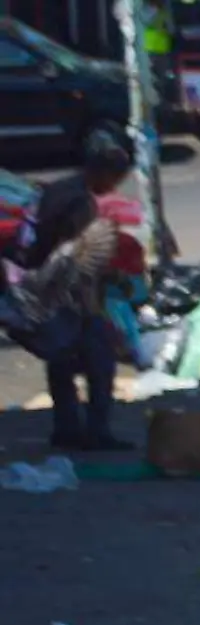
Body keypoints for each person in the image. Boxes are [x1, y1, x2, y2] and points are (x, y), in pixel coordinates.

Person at [14, 131, 137, 451]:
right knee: (100, 361)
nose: (114, 187)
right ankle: (97, 433)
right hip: (70, 296)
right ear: (105, 171)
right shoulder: (80, 203)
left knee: (61, 362)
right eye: (116, 178)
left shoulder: (57, 189)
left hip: (41, 288)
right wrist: (114, 281)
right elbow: (84, 260)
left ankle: (66, 429)